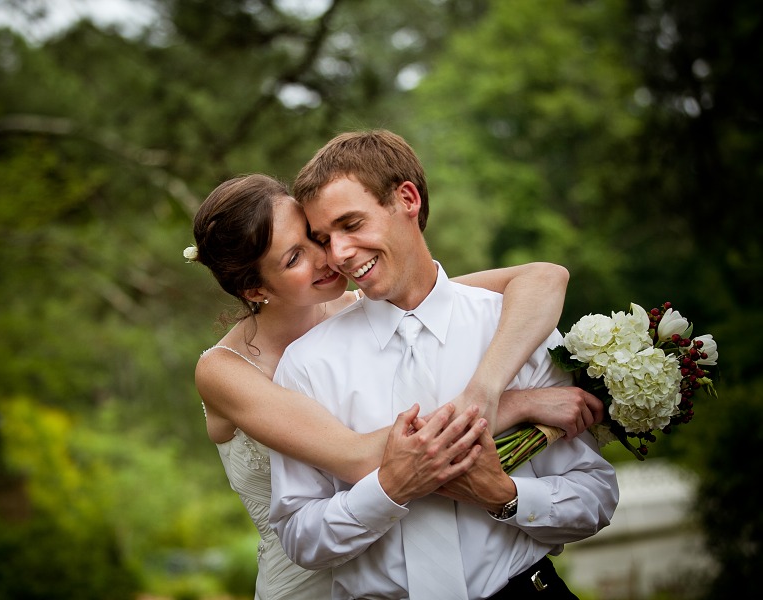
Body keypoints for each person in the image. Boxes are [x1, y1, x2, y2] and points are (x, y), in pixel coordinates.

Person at [192, 174, 605, 599]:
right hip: (307, 579)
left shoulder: (359, 307)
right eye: (295, 257)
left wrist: (490, 382)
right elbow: (355, 457)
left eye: (315, 237)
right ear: (256, 288)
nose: (328, 256)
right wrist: (514, 404)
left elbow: (541, 279)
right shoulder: (225, 370)